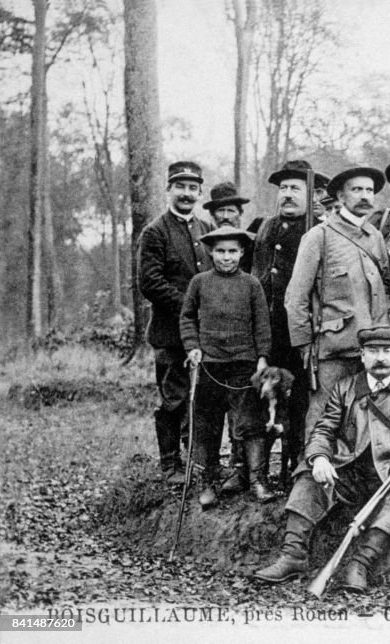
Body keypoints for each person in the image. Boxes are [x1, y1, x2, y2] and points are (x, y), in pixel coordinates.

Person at [253, 326, 390, 591]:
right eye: (373, 351)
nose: (380, 357)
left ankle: (361, 562)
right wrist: (320, 457)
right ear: (362, 356)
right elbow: (324, 429)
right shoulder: (345, 388)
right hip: (351, 471)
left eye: (387, 351)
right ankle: (293, 554)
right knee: (308, 472)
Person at [286, 165, 390, 432]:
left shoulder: (375, 237)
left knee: (367, 415)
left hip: (373, 345)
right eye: (357, 190)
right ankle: (310, 471)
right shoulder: (318, 237)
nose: (365, 196)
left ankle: (357, 472)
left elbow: (385, 290)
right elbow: (295, 297)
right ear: (341, 197)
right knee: (324, 416)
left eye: (369, 190)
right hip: (332, 348)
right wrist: (304, 345)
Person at [179, 226, 274, 508]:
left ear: (242, 252)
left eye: (232, 251)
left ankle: (256, 480)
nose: (226, 257)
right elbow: (187, 318)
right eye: (220, 251)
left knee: (250, 423)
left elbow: (262, 323)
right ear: (210, 252)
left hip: (243, 365)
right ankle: (207, 482)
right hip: (209, 364)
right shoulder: (199, 282)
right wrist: (193, 347)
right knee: (206, 425)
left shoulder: (252, 284)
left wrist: (262, 357)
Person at [247, 160, 325, 491]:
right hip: (270, 331)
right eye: (283, 189)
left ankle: (296, 467)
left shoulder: (319, 229)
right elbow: (257, 279)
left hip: (304, 332)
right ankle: (256, 472)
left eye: (295, 188)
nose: (288, 195)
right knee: (264, 400)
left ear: (311, 195)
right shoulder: (265, 228)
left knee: (301, 402)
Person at [138, 161, 213, 484]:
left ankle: (196, 457)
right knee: (174, 398)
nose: (186, 193)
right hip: (170, 334)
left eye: (192, 188)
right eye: (180, 187)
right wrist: (189, 305)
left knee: (202, 398)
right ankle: (170, 464)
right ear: (169, 190)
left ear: (199, 192)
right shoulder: (155, 232)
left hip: (205, 333)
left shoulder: (206, 229)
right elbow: (149, 282)